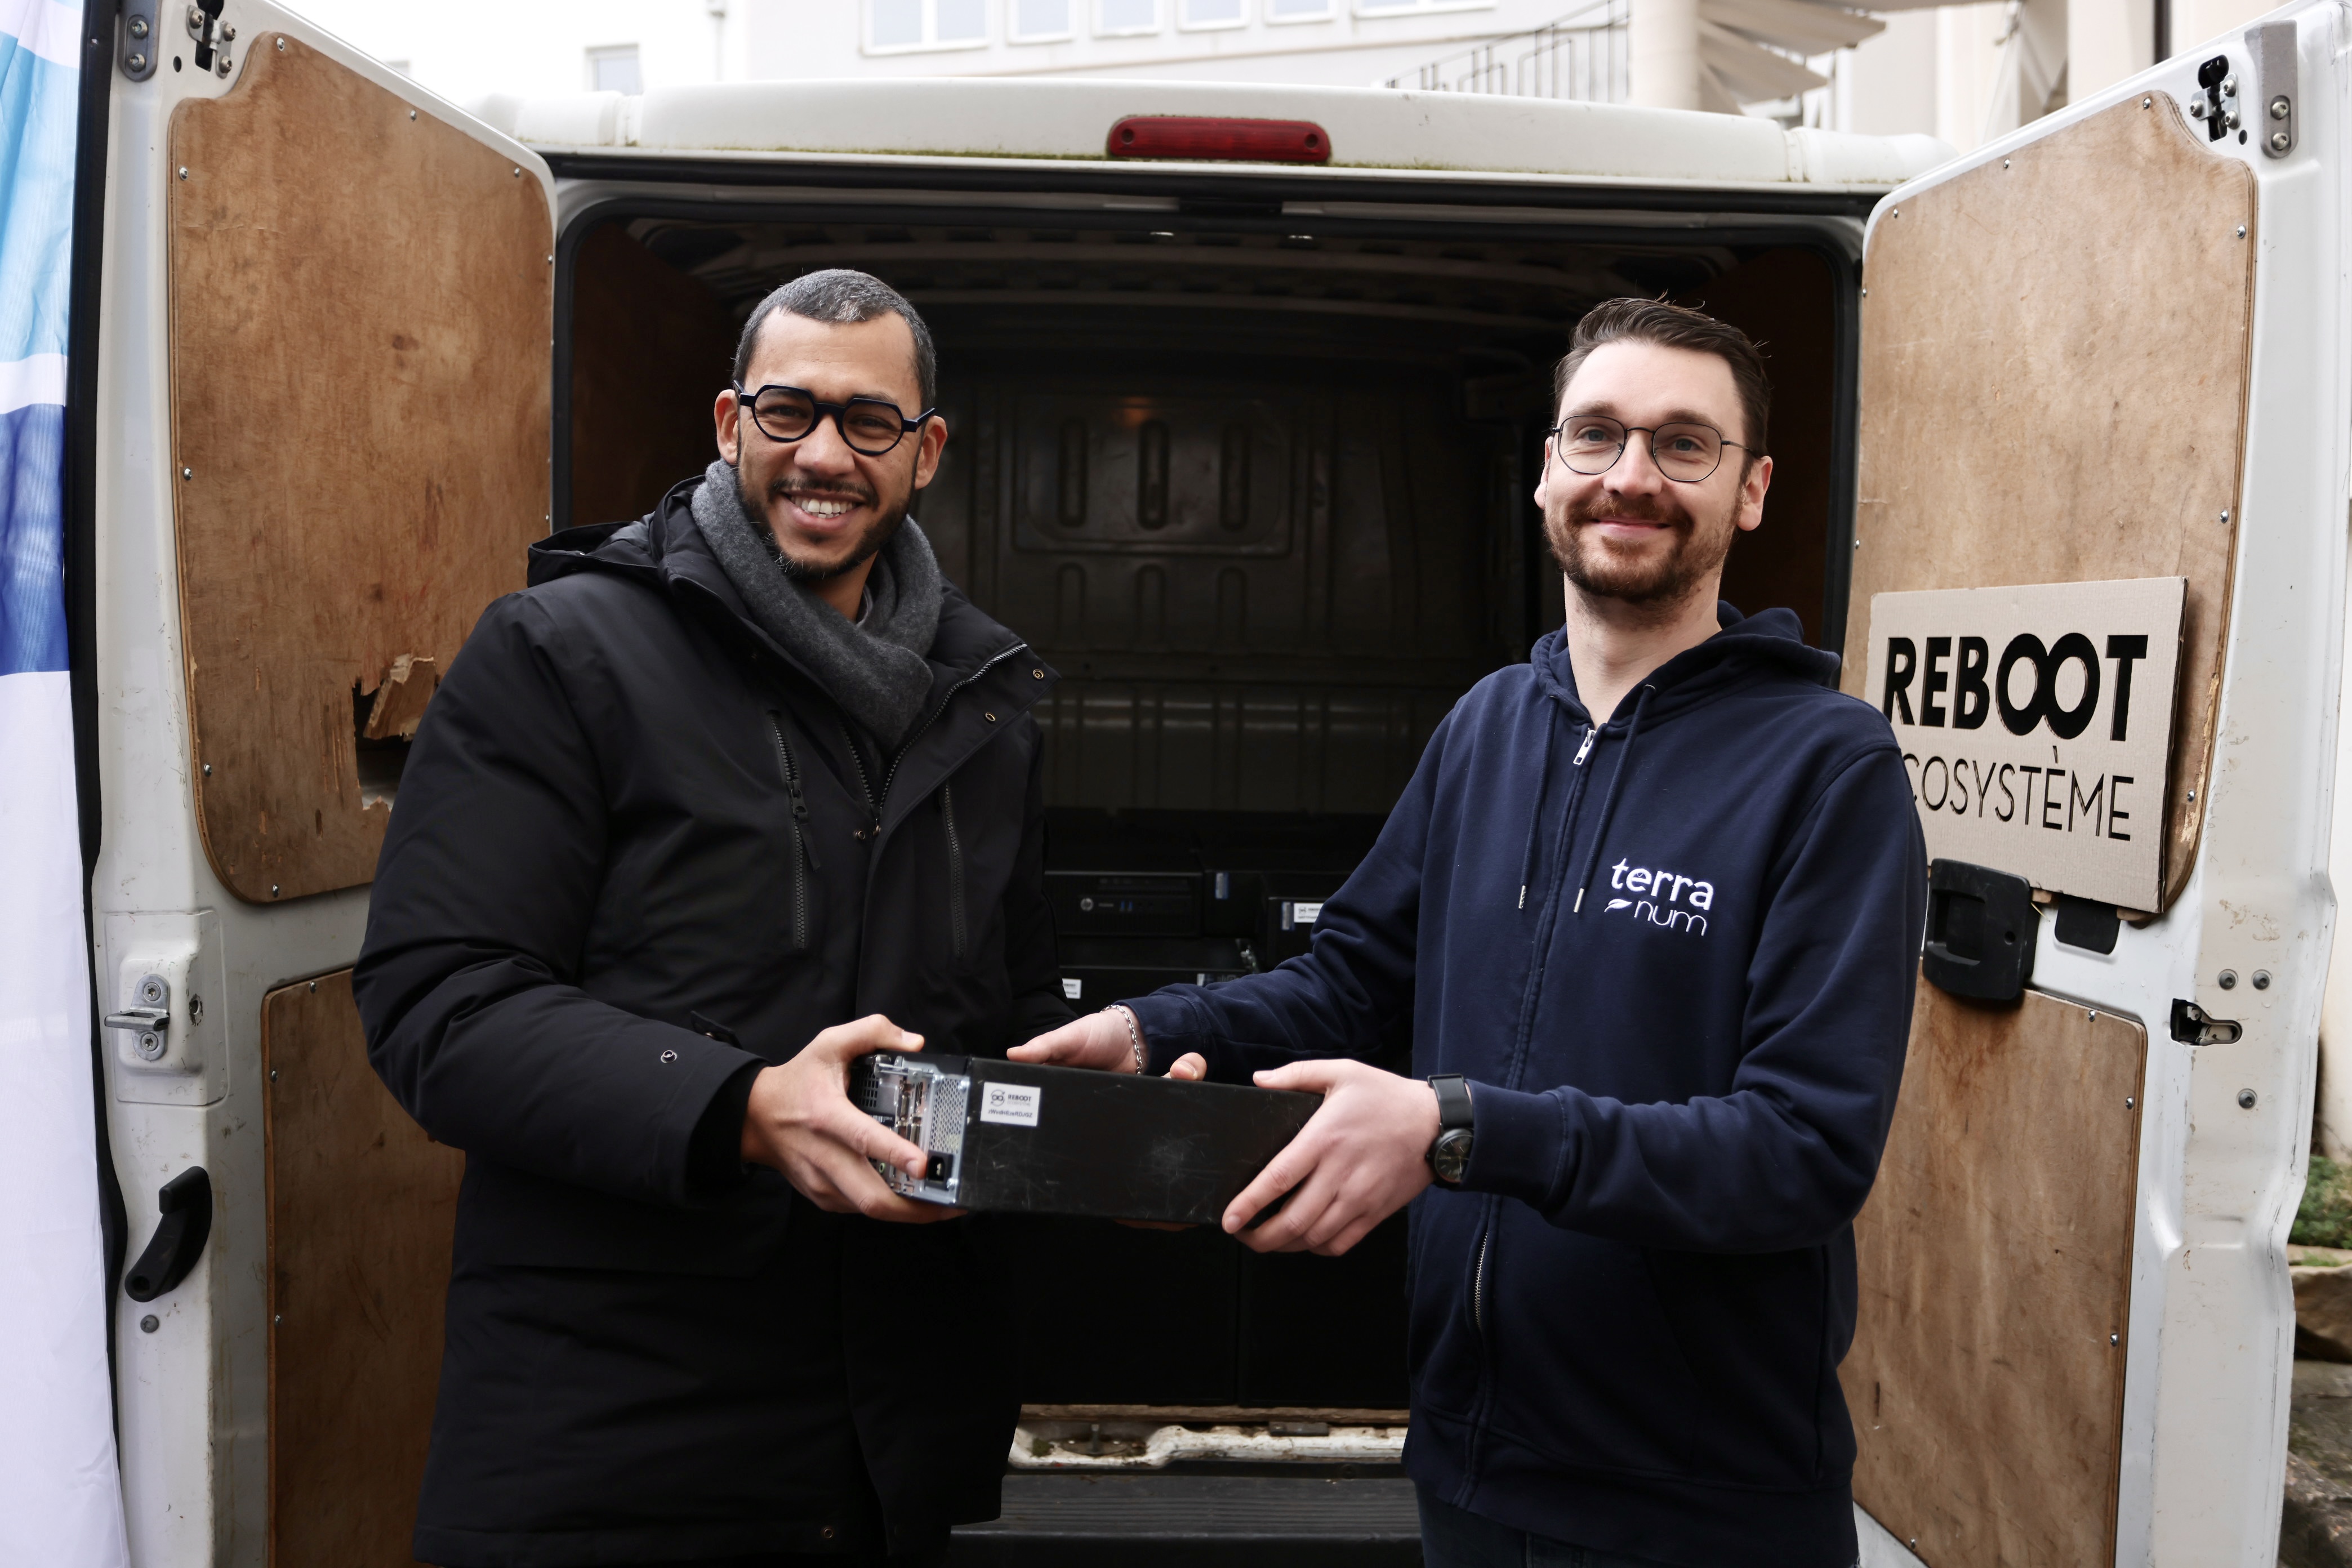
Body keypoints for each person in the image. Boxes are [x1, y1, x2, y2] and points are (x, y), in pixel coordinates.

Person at [1015, 297, 1927, 1568]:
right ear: (1546, 468)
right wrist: (1151, 1029)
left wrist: (1453, 1127)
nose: (1631, 477)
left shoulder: (1829, 766)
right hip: (1471, 1463)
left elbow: (1804, 1151)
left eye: (1684, 444)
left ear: (1754, 490)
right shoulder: (1491, 723)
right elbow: (1352, 984)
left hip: (1703, 1497)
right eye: (1597, 435)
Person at [355, 269, 1069, 1568]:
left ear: (928, 454)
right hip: (616, 1433)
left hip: (884, 1440)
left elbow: (1006, 1009)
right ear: (730, 422)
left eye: (869, 423)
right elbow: (439, 1005)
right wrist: (738, 1104)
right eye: (789, 412)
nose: (824, 457)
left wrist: (1101, 1130)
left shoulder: (985, 699)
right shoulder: (560, 655)